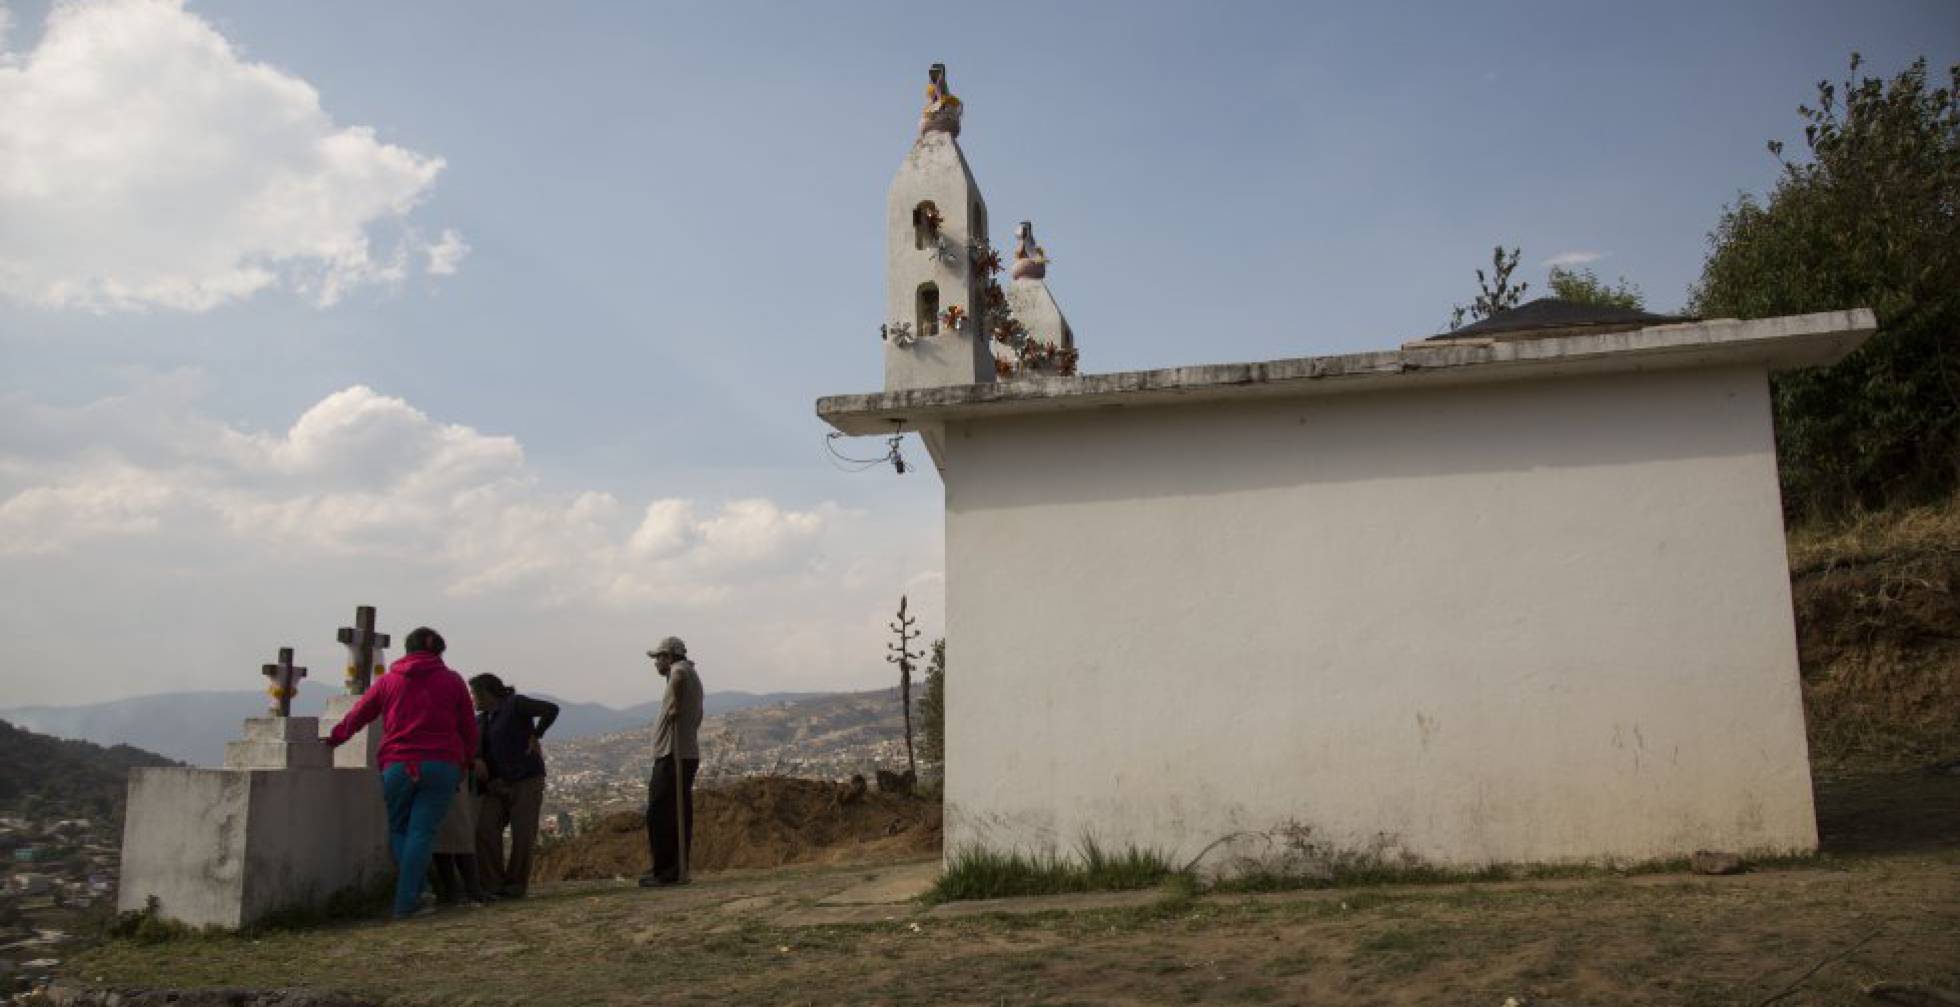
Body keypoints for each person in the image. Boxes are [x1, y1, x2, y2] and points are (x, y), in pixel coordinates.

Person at [326, 626, 478, 921]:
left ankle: (415, 896)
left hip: (398, 763)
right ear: (437, 651)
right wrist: (466, 761)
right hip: (442, 764)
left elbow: (360, 714)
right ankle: (409, 900)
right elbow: (468, 727)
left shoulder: (389, 681)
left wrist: (335, 738)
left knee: (399, 830)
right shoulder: (452, 680)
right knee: (423, 832)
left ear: (407, 650)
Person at [469, 672, 558, 899]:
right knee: (485, 829)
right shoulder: (481, 720)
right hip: (495, 785)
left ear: (486, 693)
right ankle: (493, 883)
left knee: (523, 833)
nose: (472, 699)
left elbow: (550, 709)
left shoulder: (515, 705)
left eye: (473, 693)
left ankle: (515, 886)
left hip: (525, 778)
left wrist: (536, 734)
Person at [640, 636, 702, 888]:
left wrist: (675, 703)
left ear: (669, 656)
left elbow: (677, 678)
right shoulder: (689, 672)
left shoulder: (680, 670)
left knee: (660, 813)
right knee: (674, 813)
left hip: (673, 755)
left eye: (658, 658)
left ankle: (666, 871)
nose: (655, 663)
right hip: (680, 753)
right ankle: (672, 867)